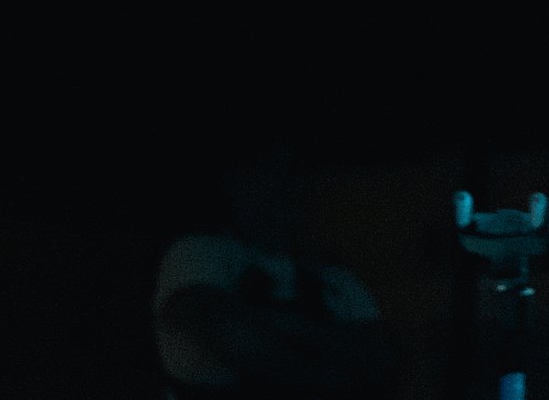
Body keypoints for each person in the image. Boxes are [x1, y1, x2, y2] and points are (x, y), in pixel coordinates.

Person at [152, 145, 394, 400]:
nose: (288, 187)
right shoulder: (200, 253)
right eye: (271, 175)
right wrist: (333, 355)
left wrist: (279, 325)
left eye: (295, 176)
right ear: (237, 184)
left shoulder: (335, 277)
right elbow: (234, 338)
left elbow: (383, 357)